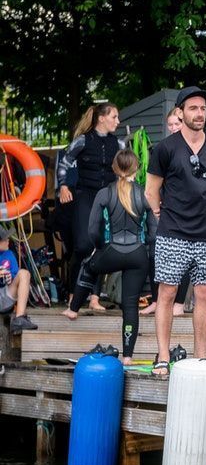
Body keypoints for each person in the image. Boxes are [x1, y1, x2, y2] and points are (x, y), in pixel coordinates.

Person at [144, 86, 206, 373]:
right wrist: (160, 211)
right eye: (193, 108)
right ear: (180, 113)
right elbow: (151, 190)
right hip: (172, 231)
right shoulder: (165, 148)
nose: (199, 113)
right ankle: (163, 356)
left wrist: (199, 207)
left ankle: (201, 358)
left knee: (205, 293)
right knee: (166, 293)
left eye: (203, 108)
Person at [62, 150, 156, 363]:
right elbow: (153, 233)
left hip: (112, 250)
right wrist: (144, 251)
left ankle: (73, 309)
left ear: (114, 168)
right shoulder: (144, 195)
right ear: (137, 168)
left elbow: (93, 229)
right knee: (130, 305)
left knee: (88, 266)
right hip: (138, 254)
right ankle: (128, 357)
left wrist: (100, 248)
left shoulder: (104, 193)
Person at [57, 102, 124, 312]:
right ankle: (72, 293)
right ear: (102, 118)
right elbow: (64, 163)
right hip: (85, 196)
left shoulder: (120, 145)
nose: (118, 121)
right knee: (84, 246)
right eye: (114, 117)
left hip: (107, 197)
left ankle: (94, 298)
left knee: (102, 247)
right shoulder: (83, 140)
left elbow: (127, 169)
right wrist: (63, 186)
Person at [140, 108, 189, 317]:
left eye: (176, 124)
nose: (173, 128)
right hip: (163, 208)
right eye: (170, 125)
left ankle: (179, 303)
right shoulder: (164, 148)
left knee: (185, 254)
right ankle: (156, 299)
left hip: (186, 211)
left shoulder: (193, 147)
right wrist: (156, 208)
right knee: (155, 251)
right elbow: (153, 183)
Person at [0, 228, 38, 335]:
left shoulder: (9, 254)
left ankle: (19, 318)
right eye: (4, 239)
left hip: (6, 295)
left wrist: (8, 276)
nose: (8, 240)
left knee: (24, 273)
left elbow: (15, 274)